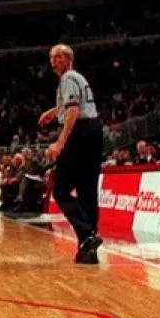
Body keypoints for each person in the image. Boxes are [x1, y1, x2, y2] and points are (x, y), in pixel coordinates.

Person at [39, 44, 103, 264]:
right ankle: (89, 248)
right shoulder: (79, 78)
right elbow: (73, 105)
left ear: (68, 59)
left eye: (57, 57)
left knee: (61, 190)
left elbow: (74, 110)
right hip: (94, 131)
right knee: (87, 191)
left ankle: (86, 233)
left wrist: (60, 142)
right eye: (51, 57)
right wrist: (54, 111)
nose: (53, 61)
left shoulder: (67, 79)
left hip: (79, 133)